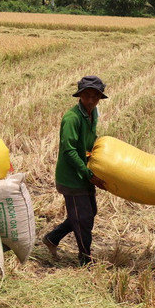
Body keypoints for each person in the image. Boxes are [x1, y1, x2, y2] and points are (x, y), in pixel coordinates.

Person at [42, 75, 108, 264]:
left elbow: (89, 141)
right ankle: (85, 259)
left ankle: (52, 238)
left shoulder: (92, 114)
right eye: (86, 95)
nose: (90, 100)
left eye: (95, 96)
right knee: (84, 219)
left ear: (99, 98)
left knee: (88, 213)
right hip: (72, 176)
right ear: (79, 95)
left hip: (85, 173)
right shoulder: (72, 118)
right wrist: (88, 174)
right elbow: (69, 151)